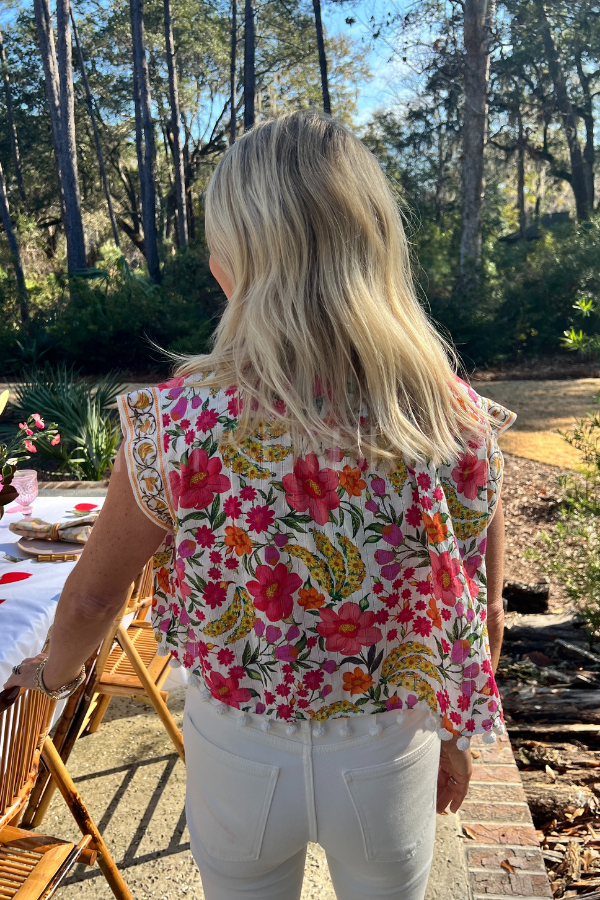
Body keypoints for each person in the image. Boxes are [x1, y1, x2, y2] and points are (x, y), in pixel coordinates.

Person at [6, 111, 515, 900]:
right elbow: (479, 606)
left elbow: (93, 599)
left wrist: (54, 678)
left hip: (238, 749)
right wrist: (456, 736)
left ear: (232, 264)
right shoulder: (452, 417)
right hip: (388, 746)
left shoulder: (176, 424)